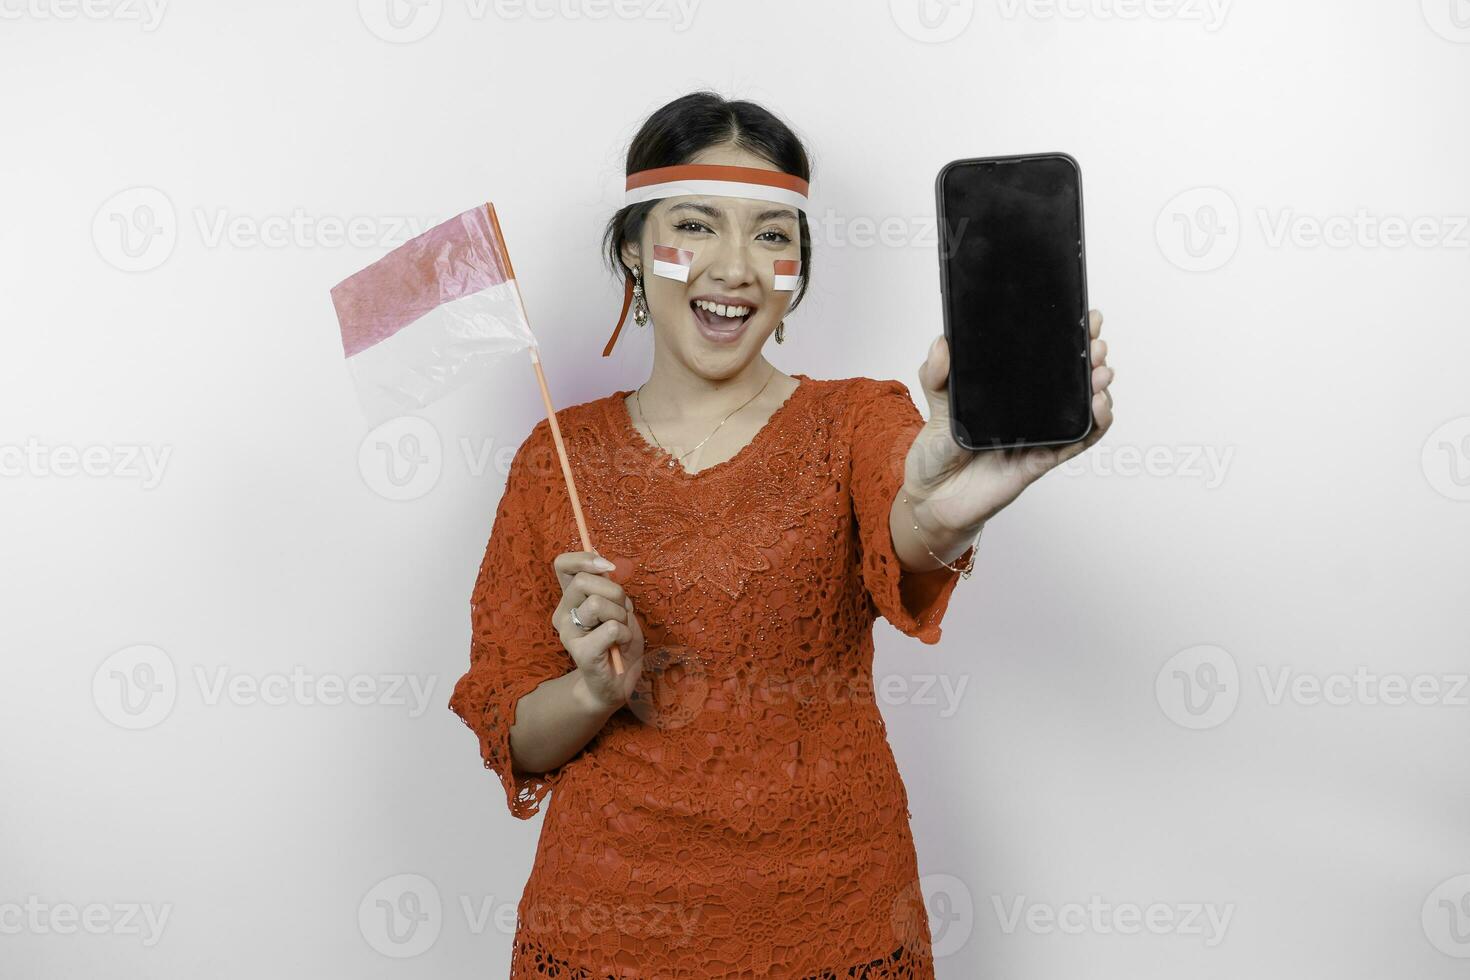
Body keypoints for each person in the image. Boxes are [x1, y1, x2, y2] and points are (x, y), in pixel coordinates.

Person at [448, 90, 1115, 978]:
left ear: (800, 267)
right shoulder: (554, 459)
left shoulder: (854, 420)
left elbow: (906, 520)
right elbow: (515, 730)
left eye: (772, 235)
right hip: (609, 931)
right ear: (633, 254)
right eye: (696, 226)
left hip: (836, 919)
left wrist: (950, 504)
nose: (737, 268)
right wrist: (592, 690)